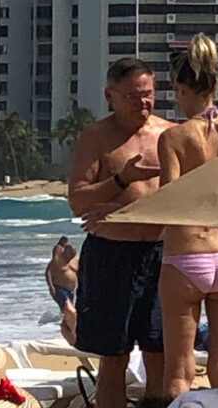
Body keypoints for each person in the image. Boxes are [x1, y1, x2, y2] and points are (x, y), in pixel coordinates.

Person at [68, 57, 175, 408]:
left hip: (162, 252)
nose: (142, 103)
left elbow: (191, 197)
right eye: (132, 96)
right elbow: (78, 202)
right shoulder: (97, 137)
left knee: (160, 350)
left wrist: (123, 211)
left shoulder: (170, 134)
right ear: (110, 96)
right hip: (112, 255)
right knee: (114, 355)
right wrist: (121, 180)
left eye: (148, 94)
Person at [158, 33, 218, 400]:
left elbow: (170, 200)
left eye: (177, 92)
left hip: (188, 255)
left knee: (180, 370)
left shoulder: (174, 138)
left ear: (182, 89)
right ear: (215, 86)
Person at [44, 236, 79, 312]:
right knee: (68, 309)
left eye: (73, 255)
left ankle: (57, 319)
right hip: (59, 288)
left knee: (66, 311)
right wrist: (51, 287)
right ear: (65, 252)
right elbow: (48, 272)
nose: (71, 257)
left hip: (71, 291)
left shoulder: (74, 261)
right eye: (70, 255)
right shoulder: (57, 260)